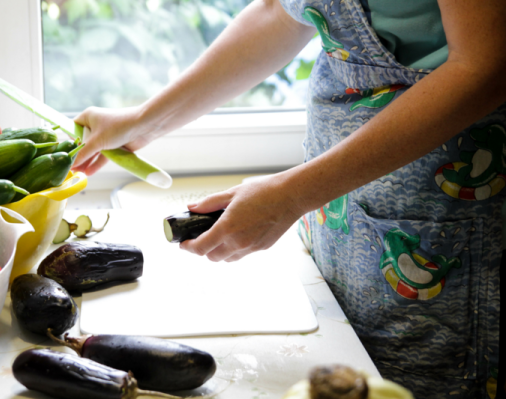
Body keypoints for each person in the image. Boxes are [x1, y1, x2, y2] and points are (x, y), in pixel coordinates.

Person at [71, 0, 505, 397]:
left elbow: (486, 67)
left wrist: (292, 195)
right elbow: (279, 11)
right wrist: (145, 121)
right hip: (341, 209)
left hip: (449, 208)